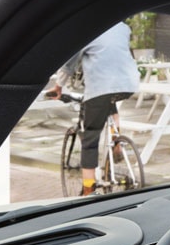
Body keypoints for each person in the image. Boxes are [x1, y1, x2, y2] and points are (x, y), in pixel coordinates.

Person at [46, 22, 140, 195]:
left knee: (90, 139)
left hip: (100, 87)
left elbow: (70, 63)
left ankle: (88, 190)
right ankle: (116, 141)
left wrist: (58, 86)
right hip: (128, 84)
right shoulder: (123, 27)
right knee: (109, 102)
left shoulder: (87, 28)